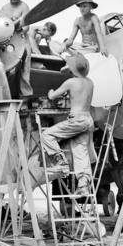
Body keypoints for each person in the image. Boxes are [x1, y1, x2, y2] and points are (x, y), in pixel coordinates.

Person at [41, 52, 96, 196]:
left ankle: (60, 163)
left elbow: (52, 96)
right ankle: (83, 185)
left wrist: (50, 91)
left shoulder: (70, 82)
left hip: (77, 119)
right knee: (80, 152)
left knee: (46, 135)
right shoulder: (90, 82)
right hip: (88, 119)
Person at [1, 0, 32, 98]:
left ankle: (25, 95)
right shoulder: (4, 8)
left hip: (22, 40)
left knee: (25, 67)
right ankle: (4, 94)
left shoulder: (24, 7)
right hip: (8, 41)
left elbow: (26, 26)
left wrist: (16, 31)